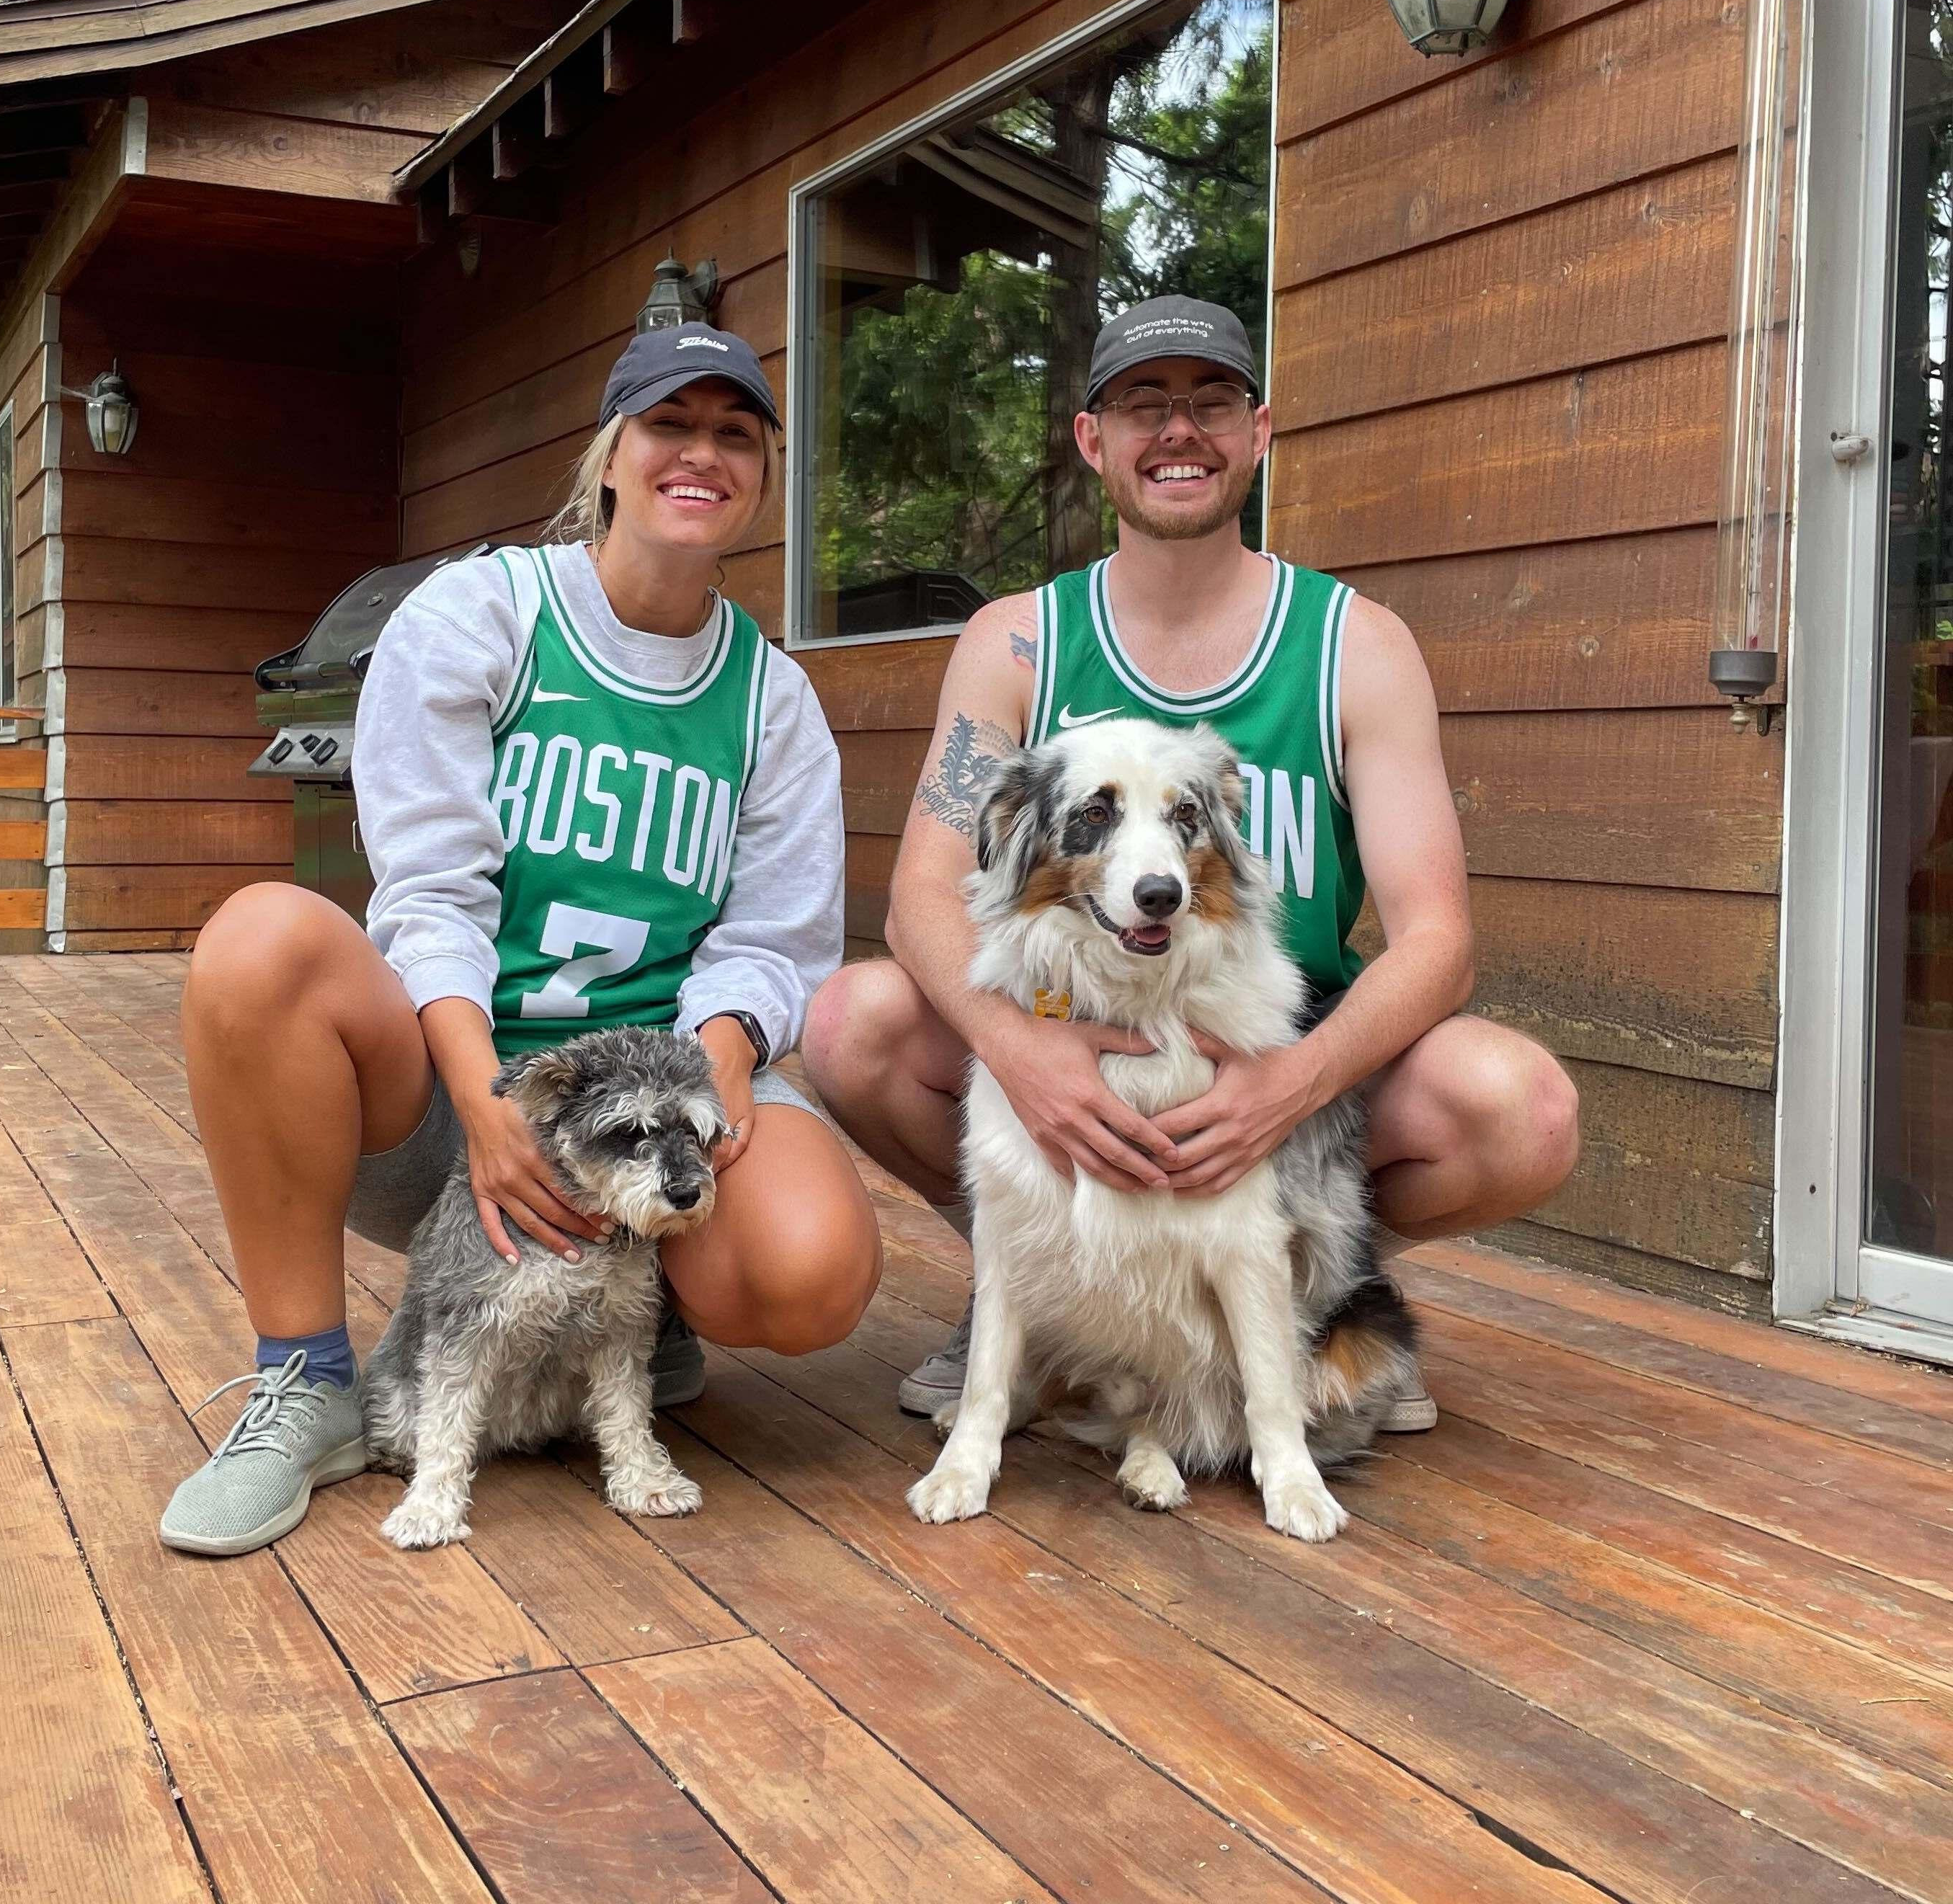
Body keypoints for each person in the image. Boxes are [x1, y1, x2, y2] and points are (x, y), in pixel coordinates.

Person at [160, 322, 880, 1557]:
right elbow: (431, 890)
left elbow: (774, 936)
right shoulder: (484, 613)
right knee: (258, 941)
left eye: (733, 435)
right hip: (458, 1093)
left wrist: (713, 1069)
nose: (699, 455)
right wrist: (488, 1108)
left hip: (651, 1101)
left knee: (811, 1271)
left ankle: (638, 1311)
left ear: (759, 473)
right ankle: (308, 1379)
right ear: (610, 453)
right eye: (670, 425)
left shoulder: (772, 697)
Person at [804, 295, 1579, 1428]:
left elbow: (1439, 940)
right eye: (1142, 406)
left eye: (1211, 403)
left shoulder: (1356, 643)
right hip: (1076, 1022)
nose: (1178, 432)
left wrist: (1286, 1089)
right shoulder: (1017, 640)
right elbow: (925, 892)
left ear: (1258, 434)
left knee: (1525, 1108)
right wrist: (1025, 1057)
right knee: (850, 1024)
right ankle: (1043, 1288)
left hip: (1283, 1036)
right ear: (1092, 442)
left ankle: (1310, 1281)